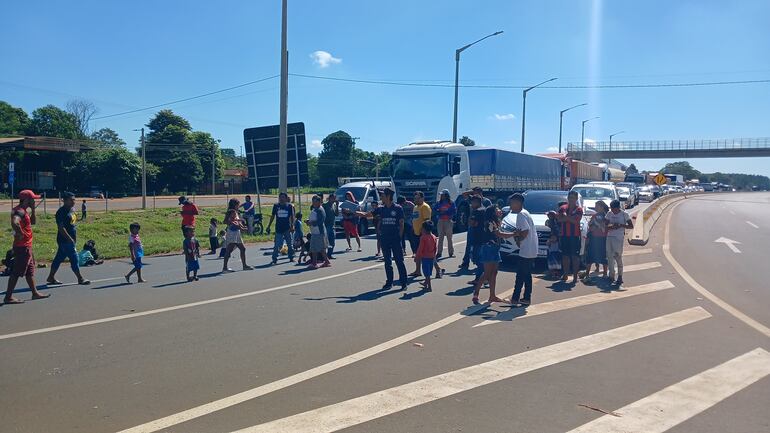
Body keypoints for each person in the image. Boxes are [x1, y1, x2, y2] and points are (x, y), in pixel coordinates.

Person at [4, 190, 50, 304]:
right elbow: (15, 222)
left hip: (26, 246)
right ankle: (8, 297)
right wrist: (20, 233)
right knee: (16, 272)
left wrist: (33, 209)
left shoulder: (23, 211)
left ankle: (35, 293)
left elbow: (33, 222)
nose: (34, 200)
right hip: (22, 247)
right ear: (27, 200)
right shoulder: (19, 211)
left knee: (30, 271)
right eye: (32, 199)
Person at [498, 193, 537, 306]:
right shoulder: (525, 213)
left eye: (512, 202)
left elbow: (525, 231)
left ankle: (516, 298)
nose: (510, 205)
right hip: (530, 249)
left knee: (520, 275)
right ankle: (525, 298)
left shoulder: (521, 215)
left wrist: (518, 240)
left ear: (518, 203)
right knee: (526, 274)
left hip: (526, 249)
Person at [47, 191, 90, 286]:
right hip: (65, 240)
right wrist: (69, 238)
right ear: (65, 200)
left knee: (59, 258)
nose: (73, 202)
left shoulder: (72, 209)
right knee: (74, 258)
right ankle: (80, 278)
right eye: (71, 200)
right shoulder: (61, 212)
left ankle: (51, 277)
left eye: (74, 200)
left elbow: (72, 224)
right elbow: (61, 228)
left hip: (71, 238)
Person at [372, 188, 408, 290]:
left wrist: (399, 237)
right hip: (385, 239)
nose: (381, 197)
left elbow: (401, 224)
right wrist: (354, 211)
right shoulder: (381, 209)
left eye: (382, 195)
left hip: (395, 238)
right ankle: (389, 282)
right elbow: (369, 215)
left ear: (388, 196)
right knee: (387, 261)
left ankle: (403, 282)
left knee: (399, 261)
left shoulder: (398, 208)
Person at [471, 205, 505, 305]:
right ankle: (476, 293)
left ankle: (492, 295)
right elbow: (498, 234)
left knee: (494, 273)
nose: (499, 210)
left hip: (495, 248)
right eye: (497, 209)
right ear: (493, 212)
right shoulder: (489, 222)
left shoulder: (497, 221)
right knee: (487, 273)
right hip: (488, 249)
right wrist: (514, 234)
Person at [557, 190, 584, 284]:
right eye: (569, 197)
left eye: (573, 198)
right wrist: (569, 218)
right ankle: (565, 274)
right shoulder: (562, 208)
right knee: (565, 256)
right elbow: (559, 219)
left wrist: (566, 218)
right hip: (564, 235)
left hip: (575, 236)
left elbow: (576, 221)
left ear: (576, 199)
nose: (571, 199)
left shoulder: (579, 209)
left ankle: (575, 276)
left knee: (574, 256)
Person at [606, 199, 633, 286]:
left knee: (617, 257)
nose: (613, 211)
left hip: (618, 238)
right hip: (609, 237)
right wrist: (611, 226)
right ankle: (611, 275)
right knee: (609, 257)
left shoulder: (624, 214)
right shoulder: (609, 214)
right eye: (611, 209)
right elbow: (605, 225)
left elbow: (631, 226)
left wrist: (621, 225)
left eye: (614, 209)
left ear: (618, 208)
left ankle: (620, 276)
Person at [222, 198, 253, 272]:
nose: (239, 206)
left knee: (243, 249)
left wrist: (241, 226)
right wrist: (238, 225)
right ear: (234, 205)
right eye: (238, 205)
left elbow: (237, 222)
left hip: (237, 232)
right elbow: (226, 221)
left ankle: (244, 265)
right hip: (232, 232)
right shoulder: (230, 212)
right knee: (229, 250)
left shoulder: (236, 212)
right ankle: (225, 268)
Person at [583, 200, 609, 282]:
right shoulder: (594, 216)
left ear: (601, 207)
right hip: (594, 238)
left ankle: (605, 273)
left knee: (604, 256)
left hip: (603, 238)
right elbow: (590, 226)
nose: (595, 208)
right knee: (590, 256)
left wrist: (597, 226)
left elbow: (605, 226)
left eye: (597, 206)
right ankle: (587, 274)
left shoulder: (607, 216)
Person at [415, 221, 443, 292]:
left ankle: (429, 287)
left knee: (426, 273)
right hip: (431, 257)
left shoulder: (423, 238)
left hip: (425, 257)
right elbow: (435, 247)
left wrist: (417, 256)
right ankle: (425, 283)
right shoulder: (434, 237)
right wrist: (434, 255)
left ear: (424, 229)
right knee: (429, 271)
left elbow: (420, 248)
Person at [408, 191, 432, 277]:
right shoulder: (415, 207)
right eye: (415, 198)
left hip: (423, 235)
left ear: (422, 198)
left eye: (418, 198)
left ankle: (437, 268)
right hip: (416, 233)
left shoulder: (425, 207)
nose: (416, 200)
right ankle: (417, 270)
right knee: (418, 253)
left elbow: (427, 221)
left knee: (427, 254)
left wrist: (423, 232)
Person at [267, 192, 295, 265]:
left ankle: (291, 257)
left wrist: (292, 225)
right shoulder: (276, 206)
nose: (281, 199)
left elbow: (292, 216)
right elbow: (273, 216)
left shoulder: (289, 206)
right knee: (277, 244)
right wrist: (269, 226)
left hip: (287, 228)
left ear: (286, 198)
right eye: (280, 197)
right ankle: (274, 259)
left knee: (289, 243)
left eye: (283, 197)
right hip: (278, 228)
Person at [307, 195, 331, 268]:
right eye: (313, 201)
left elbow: (320, 221)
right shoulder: (315, 209)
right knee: (321, 248)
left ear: (319, 202)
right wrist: (309, 221)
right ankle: (327, 262)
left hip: (319, 232)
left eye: (315, 201)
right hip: (314, 231)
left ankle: (314, 263)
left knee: (314, 248)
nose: (313, 202)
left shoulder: (320, 210)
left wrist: (311, 223)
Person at [433, 189, 456, 258]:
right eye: (441, 195)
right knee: (440, 237)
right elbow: (434, 210)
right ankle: (439, 253)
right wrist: (439, 212)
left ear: (446, 195)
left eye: (443, 195)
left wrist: (446, 213)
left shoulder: (451, 203)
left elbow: (454, 211)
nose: (441, 196)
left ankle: (451, 252)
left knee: (449, 238)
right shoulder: (438, 203)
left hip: (448, 221)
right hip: (440, 221)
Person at [321, 193, 339, 259]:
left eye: (334, 198)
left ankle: (329, 254)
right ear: (329, 198)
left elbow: (336, 214)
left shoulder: (334, 205)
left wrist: (337, 205)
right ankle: (324, 255)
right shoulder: (324, 205)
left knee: (332, 241)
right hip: (326, 225)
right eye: (332, 198)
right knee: (325, 241)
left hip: (332, 226)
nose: (334, 200)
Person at [545, 212, 562, 279]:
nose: (548, 216)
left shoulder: (555, 224)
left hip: (555, 245)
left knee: (555, 258)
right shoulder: (551, 222)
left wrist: (551, 240)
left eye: (549, 215)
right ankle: (553, 272)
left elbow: (555, 235)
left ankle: (556, 273)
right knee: (552, 258)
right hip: (552, 245)